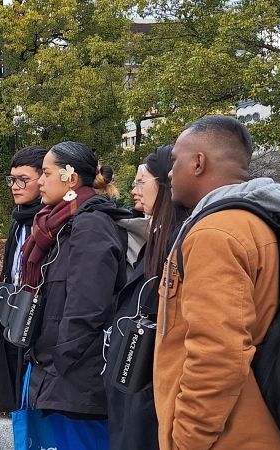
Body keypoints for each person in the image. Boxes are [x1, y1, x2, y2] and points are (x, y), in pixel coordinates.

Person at [154, 115, 280, 449]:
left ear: (199, 162)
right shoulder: (260, 221)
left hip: (224, 438)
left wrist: (187, 440)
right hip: (261, 429)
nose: (170, 172)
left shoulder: (215, 234)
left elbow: (218, 354)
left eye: (175, 161)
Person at [21, 141, 129, 448]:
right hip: (60, 374)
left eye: (46, 172)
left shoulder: (91, 224)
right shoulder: (59, 223)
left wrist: (59, 361)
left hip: (77, 379)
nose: (39, 181)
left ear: (70, 177)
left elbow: (87, 307)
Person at [104, 145, 188, 450]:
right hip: (136, 382)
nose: (134, 190)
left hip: (151, 388)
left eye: (141, 181)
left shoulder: (179, 243)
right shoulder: (158, 236)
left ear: (165, 183)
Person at [0, 145, 46, 413]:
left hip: (38, 322)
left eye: (23, 179)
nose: (15, 186)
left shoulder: (50, 223)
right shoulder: (18, 221)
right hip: (12, 316)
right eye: (12, 179)